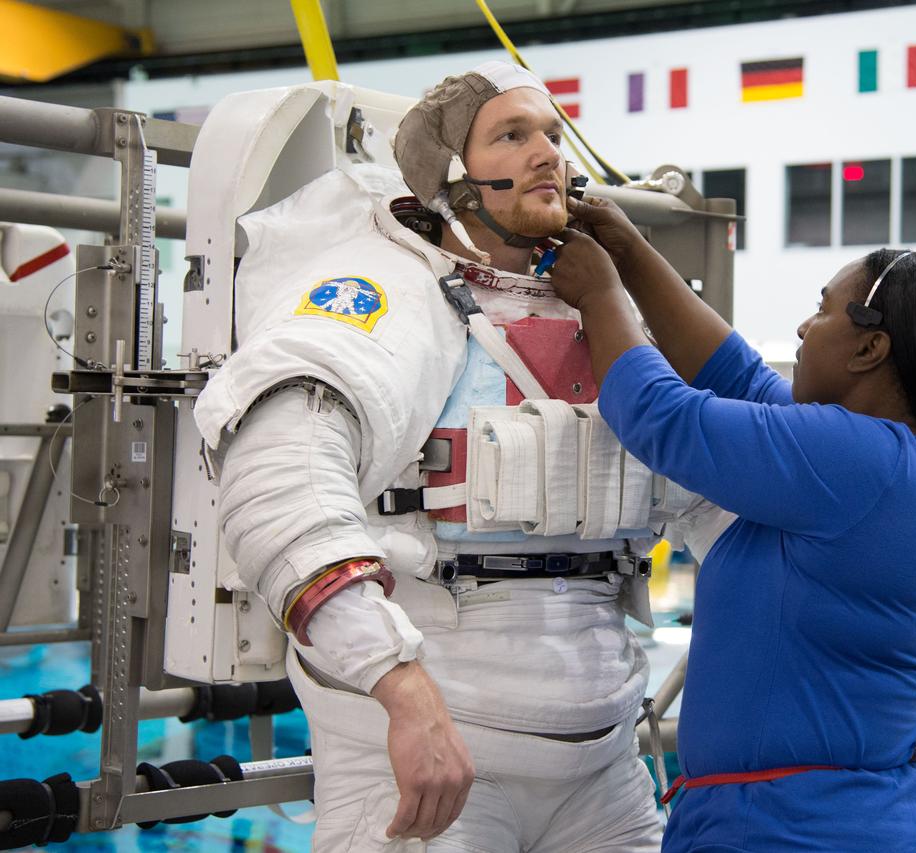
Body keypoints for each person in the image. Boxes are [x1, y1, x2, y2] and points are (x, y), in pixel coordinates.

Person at [196, 62, 710, 852]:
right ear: (448, 178)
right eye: (512, 135)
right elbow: (281, 484)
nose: (546, 152)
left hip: (603, 761)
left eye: (552, 134)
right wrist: (400, 686)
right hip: (428, 757)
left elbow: (714, 480)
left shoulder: (601, 309)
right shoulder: (384, 295)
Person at [546, 196, 916, 851]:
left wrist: (601, 294)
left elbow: (662, 417)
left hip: (809, 829)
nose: (802, 326)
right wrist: (629, 252)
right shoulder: (893, 458)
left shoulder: (862, 461)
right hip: (837, 818)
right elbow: (733, 374)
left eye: (822, 310)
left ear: (870, 347)